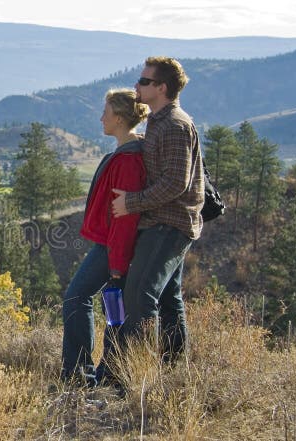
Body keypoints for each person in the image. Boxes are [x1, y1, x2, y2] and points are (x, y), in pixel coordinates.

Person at [111, 56, 204, 364]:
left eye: (144, 82)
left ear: (161, 88)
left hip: (168, 223)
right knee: (168, 298)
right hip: (165, 222)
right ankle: (175, 368)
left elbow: (176, 183)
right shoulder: (159, 121)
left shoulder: (175, 125)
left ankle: (139, 370)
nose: (137, 85)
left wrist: (131, 202)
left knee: (139, 296)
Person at [61, 88, 148, 386]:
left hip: (114, 248)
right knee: (114, 309)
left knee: (76, 297)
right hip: (112, 246)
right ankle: (108, 373)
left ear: (120, 118)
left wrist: (116, 264)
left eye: (106, 113)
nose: (101, 118)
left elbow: (126, 216)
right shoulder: (126, 152)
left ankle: (79, 374)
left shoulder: (128, 161)